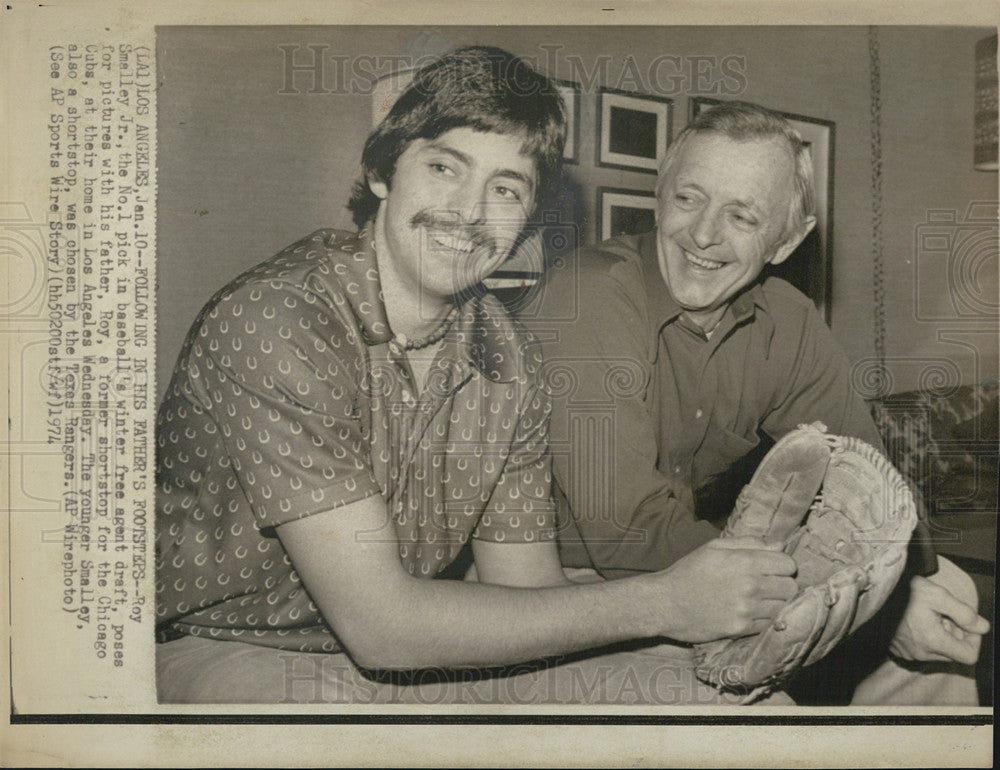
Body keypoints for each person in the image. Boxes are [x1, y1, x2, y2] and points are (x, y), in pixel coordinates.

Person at [155, 49, 803, 704]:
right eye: (444, 168)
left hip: (421, 653)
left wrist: (693, 622)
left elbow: (526, 593)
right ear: (384, 171)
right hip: (226, 646)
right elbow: (382, 626)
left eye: (505, 189)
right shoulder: (279, 318)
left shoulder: (509, 357)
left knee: (723, 697)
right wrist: (664, 603)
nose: (470, 211)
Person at [526, 100, 989, 704]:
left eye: (742, 215)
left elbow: (870, 476)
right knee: (765, 707)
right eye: (689, 199)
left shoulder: (787, 321)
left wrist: (905, 582)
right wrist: (848, 602)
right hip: (573, 592)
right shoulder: (590, 294)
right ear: (660, 194)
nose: (703, 234)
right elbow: (626, 535)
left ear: (786, 240)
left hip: (686, 564)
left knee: (947, 596)